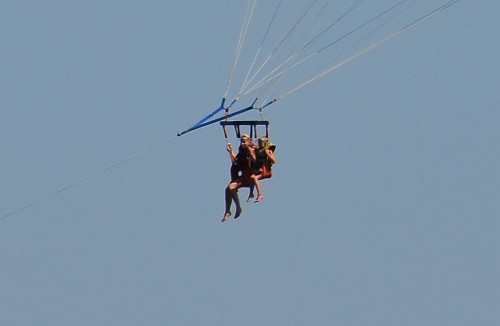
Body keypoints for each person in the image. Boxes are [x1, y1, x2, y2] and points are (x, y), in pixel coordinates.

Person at [222, 134, 255, 222]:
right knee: (227, 189)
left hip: (248, 178)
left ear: (249, 142)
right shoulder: (242, 151)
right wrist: (230, 151)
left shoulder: (251, 150)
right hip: (242, 177)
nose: (242, 144)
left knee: (230, 187)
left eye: (244, 142)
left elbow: (255, 162)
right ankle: (227, 210)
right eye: (241, 142)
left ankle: (238, 208)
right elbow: (236, 162)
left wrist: (251, 152)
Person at [247, 136, 276, 202]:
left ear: (265, 143)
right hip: (259, 169)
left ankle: (260, 194)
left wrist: (267, 153)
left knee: (254, 178)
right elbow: (254, 159)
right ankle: (251, 193)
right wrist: (251, 151)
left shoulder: (268, 151)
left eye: (261, 142)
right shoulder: (257, 150)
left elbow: (274, 161)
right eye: (259, 142)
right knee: (252, 177)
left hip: (266, 171)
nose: (259, 144)